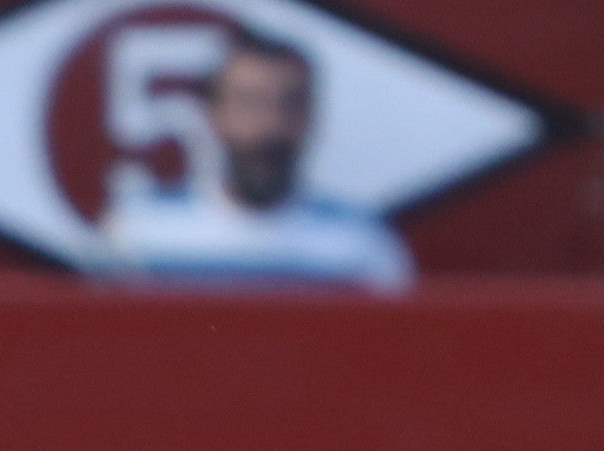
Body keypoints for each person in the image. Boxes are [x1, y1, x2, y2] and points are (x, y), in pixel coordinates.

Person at [102, 30, 413, 292]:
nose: (270, 124)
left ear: (310, 116)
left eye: (289, 104)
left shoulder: (359, 246)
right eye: (250, 103)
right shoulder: (141, 231)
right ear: (215, 115)